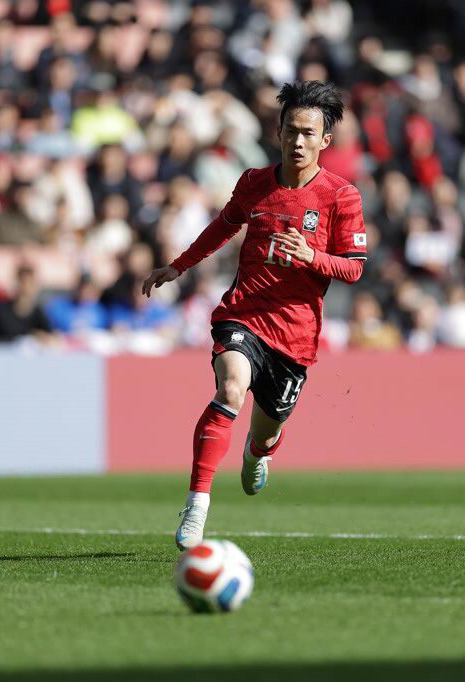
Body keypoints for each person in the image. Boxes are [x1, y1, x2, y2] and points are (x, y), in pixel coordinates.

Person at [141, 81, 366, 549]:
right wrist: (178, 266)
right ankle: (197, 505)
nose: (297, 141)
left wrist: (310, 257)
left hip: (296, 336)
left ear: (326, 140)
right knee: (229, 387)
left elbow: (354, 268)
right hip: (242, 315)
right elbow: (223, 226)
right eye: (290, 131)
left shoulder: (341, 197)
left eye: (308, 133)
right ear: (278, 132)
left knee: (266, 432)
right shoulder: (253, 183)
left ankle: (256, 452)